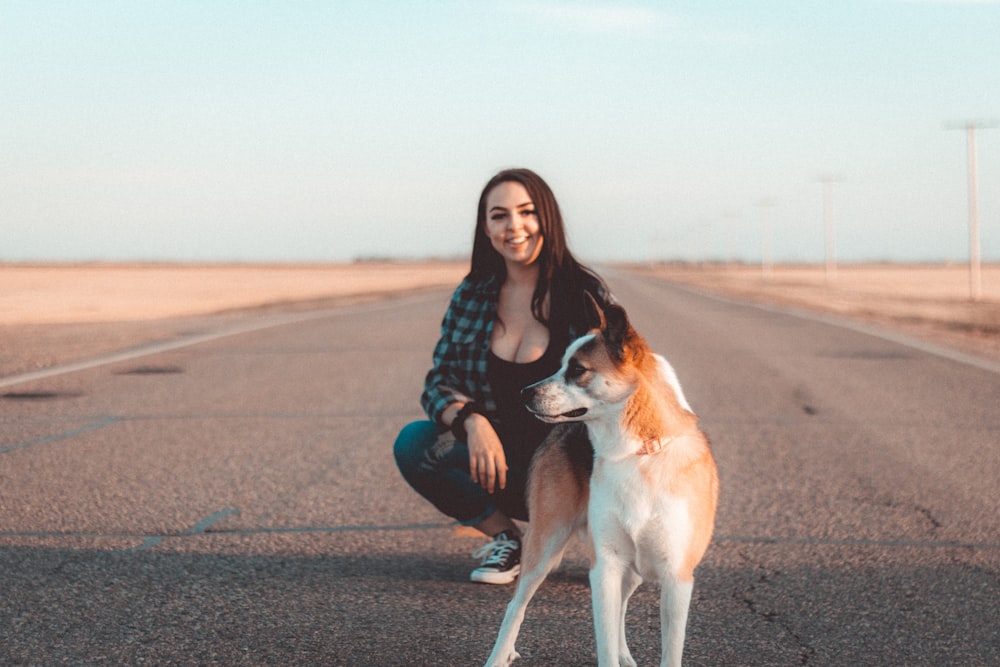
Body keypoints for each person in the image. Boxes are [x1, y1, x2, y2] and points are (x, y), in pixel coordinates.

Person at [393, 168, 612, 584]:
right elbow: (440, 379)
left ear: (546, 217)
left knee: (618, 567)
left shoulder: (584, 294)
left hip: (576, 467)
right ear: (485, 226)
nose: (515, 227)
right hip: (497, 465)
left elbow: (619, 385)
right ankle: (508, 540)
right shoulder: (473, 294)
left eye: (527, 212)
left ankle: (596, 534)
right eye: (499, 215)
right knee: (415, 443)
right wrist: (470, 421)